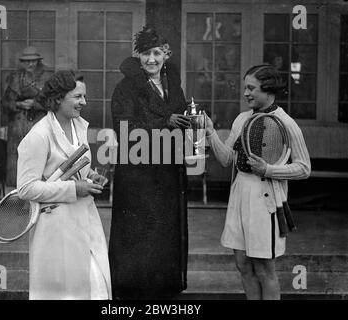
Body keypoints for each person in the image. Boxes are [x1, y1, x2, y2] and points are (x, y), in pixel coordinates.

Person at [204, 64, 311, 299]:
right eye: (245, 88)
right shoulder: (242, 119)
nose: (245, 93)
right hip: (240, 194)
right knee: (243, 264)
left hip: (266, 200)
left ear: (268, 89)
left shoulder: (286, 122)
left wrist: (269, 169)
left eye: (251, 88)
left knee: (264, 268)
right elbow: (225, 159)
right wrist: (210, 132)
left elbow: (304, 168)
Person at [109, 26, 191, 299]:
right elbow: (124, 129)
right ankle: (132, 291)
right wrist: (165, 122)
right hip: (138, 174)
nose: (151, 59)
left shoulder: (173, 85)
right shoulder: (126, 87)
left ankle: (163, 289)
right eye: (145, 53)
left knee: (164, 231)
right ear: (139, 56)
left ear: (167, 54)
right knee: (138, 232)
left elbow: (179, 119)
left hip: (167, 171)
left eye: (157, 53)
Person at [17, 70, 111, 300]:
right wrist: (74, 189)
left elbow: (77, 166)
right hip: (55, 229)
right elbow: (26, 188)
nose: (84, 102)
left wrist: (91, 176)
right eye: (77, 97)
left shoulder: (78, 125)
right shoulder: (38, 136)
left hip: (84, 220)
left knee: (95, 287)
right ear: (58, 98)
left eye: (84, 96)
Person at [1, 46, 50, 187]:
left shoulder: (46, 79)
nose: (30, 64)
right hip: (18, 125)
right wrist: (19, 104)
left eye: (33, 61)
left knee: (37, 157)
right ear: (22, 62)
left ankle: (36, 191)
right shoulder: (14, 78)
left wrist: (35, 103)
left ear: (38, 61)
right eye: (27, 61)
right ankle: (15, 195)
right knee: (17, 158)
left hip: (37, 122)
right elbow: (5, 102)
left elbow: (53, 102)